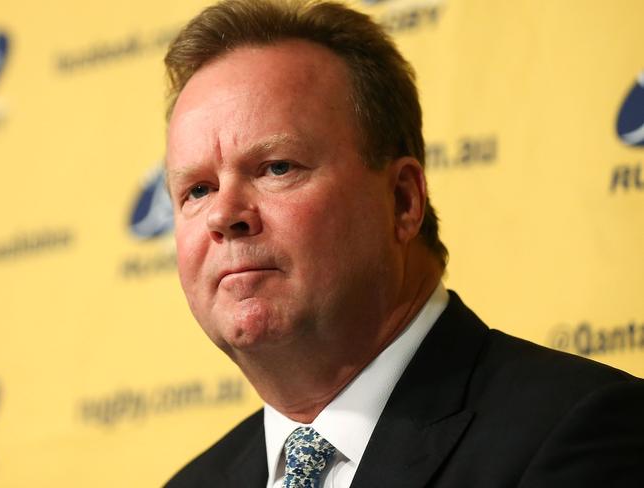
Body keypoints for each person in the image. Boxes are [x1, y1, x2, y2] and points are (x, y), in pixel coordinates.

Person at [163, 1, 644, 486]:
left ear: (402, 201)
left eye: (277, 168)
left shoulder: (582, 431)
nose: (224, 215)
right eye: (198, 190)